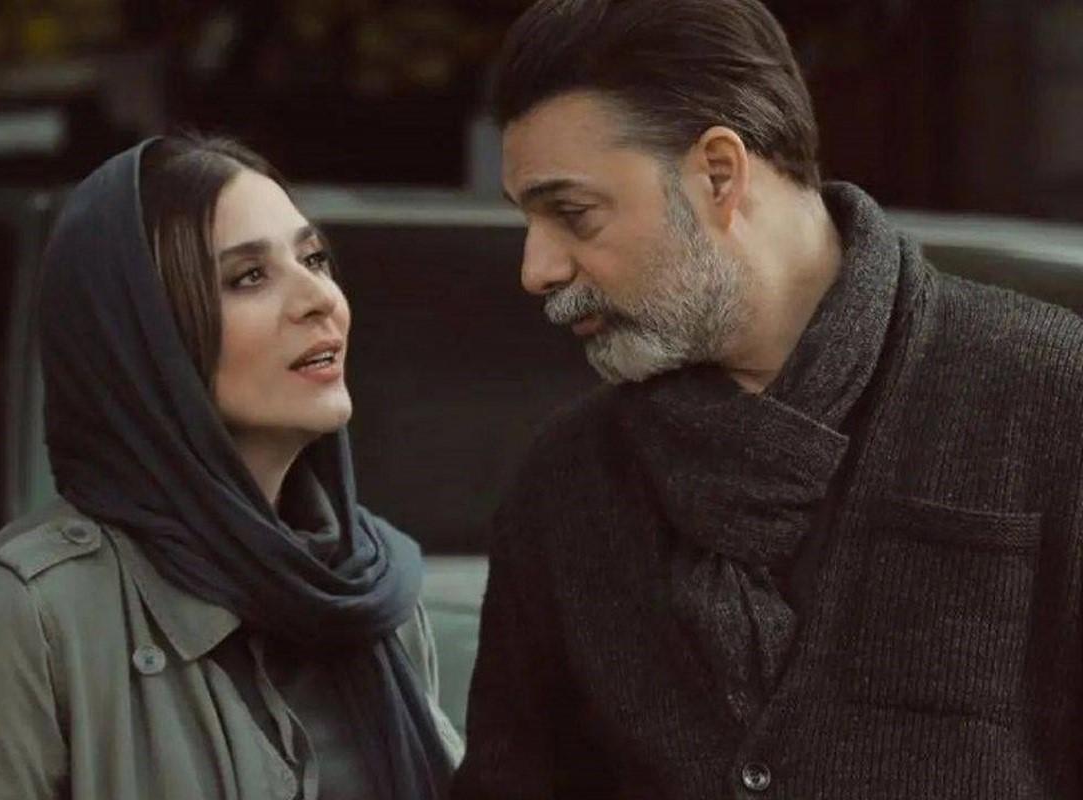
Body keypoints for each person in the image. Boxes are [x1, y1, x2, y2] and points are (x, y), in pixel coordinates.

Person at [454, 1, 1083, 798]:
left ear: (719, 173)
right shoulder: (567, 485)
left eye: (572, 214)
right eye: (528, 220)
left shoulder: (1052, 398)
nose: (537, 269)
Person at [0, 134, 462, 800]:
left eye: (313, 258)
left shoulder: (370, 589)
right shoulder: (30, 618)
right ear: (145, 340)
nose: (318, 297)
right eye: (248, 277)